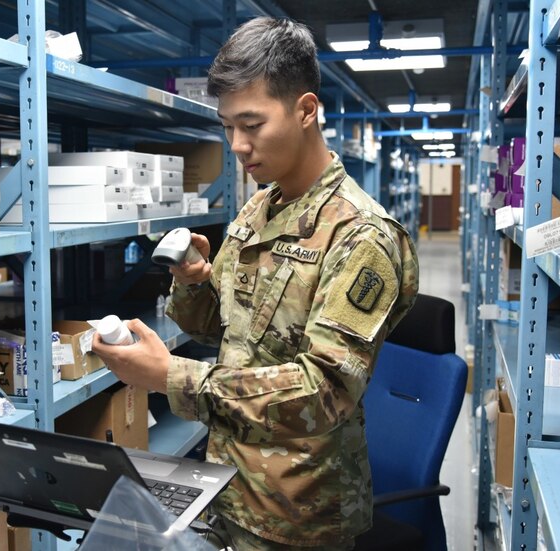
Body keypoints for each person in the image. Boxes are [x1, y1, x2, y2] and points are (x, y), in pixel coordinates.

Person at [91, 16, 419, 550]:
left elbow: (323, 392)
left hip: (297, 515)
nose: (238, 145)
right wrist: (196, 281)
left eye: (252, 124)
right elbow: (220, 330)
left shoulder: (363, 238)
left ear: (306, 110)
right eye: (228, 126)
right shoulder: (259, 209)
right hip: (227, 488)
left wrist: (171, 376)